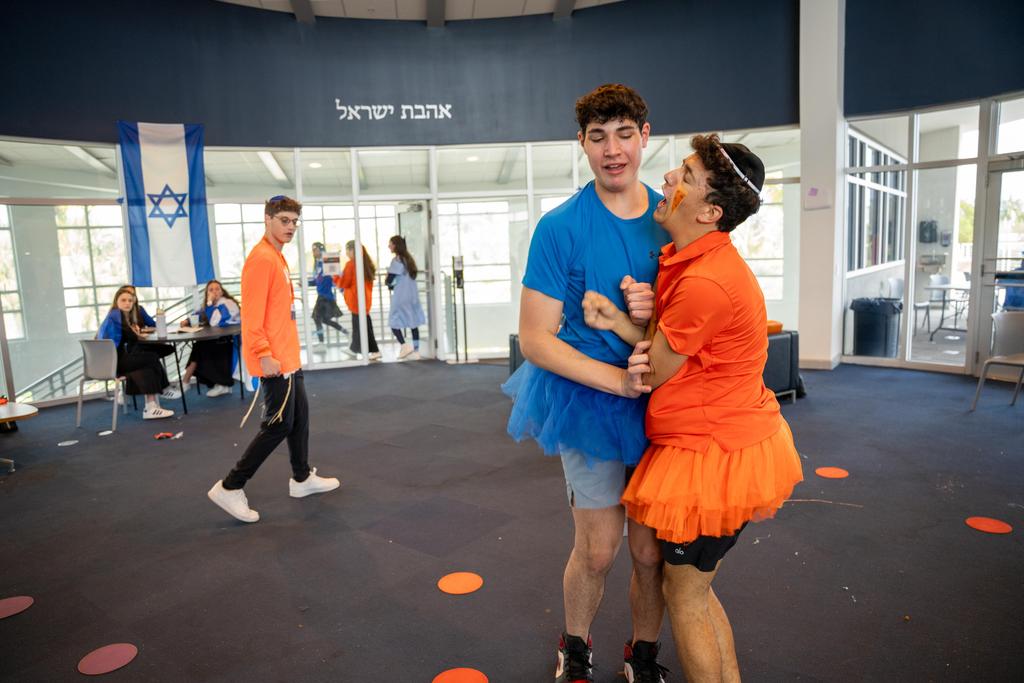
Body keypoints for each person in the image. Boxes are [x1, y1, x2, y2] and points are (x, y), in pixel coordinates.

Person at [584, 135, 804, 682]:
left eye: (684, 176)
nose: (667, 179)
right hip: (724, 443)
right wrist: (624, 322)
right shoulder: (694, 261)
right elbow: (672, 350)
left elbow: (654, 371)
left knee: (685, 596)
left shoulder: (704, 280)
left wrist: (624, 351)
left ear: (710, 212)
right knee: (696, 591)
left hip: (711, 455)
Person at [502, 84, 668, 682]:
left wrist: (650, 315)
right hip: (589, 400)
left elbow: (690, 320)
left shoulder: (672, 219)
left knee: (650, 553)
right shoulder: (560, 227)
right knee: (598, 551)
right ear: (582, 143)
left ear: (644, 136)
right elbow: (536, 338)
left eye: (624, 134)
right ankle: (575, 647)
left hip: (662, 406)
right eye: (598, 138)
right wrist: (618, 381)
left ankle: (642, 654)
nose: (612, 150)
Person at [207, 195, 340, 524]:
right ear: (267, 219)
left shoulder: (277, 257)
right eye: (284, 220)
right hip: (274, 360)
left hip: (288, 358)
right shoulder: (262, 259)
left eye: (294, 221)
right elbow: (252, 317)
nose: (290, 227)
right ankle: (230, 486)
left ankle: (301, 478)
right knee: (278, 425)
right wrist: (264, 354)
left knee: (300, 419)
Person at [97, 286, 180, 419]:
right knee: (151, 358)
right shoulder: (117, 315)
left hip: (114, 360)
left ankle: (151, 407)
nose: (127, 303)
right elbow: (132, 338)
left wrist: (134, 332)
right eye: (123, 300)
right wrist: (135, 332)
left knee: (146, 363)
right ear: (116, 301)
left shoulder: (115, 315)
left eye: (130, 301)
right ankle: (163, 390)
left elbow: (129, 339)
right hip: (114, 363)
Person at [179, 279, 240, 398]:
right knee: (199, 346)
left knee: (200, 347)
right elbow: (199, 314)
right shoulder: (213, 305)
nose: (214, 292)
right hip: (217, 339)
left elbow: (214, 322)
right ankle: (186, 382)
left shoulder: (227, 303)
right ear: (207, 293)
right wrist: (187, 321)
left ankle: (187, 382)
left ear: (222, 292)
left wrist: (209, 303)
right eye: (211, 290)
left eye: (217, 289)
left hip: (228, 340)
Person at [337, 239, 380, 360]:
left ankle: (374, 350)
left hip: (355, 300)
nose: (346, 253)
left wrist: (335, 276)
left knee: (361, 326)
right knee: (360, 325)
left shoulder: (351, 264)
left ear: (352, 250)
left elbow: (344, 283)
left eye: (347, 250)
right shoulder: (365, 263)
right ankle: (354, 349)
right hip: (364, 299)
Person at [386, 235, 426, 360]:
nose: (389, 246)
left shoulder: (396, 261)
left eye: (390, 244)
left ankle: (404, 346)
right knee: (413, 323)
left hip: (401, 296)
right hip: (412, 296)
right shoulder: (409, 259)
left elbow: (389, 280)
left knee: (393, 322)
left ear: (396, 245)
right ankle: (416, 351)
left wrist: (387, 280)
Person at [309, 241, 348, 344]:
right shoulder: (317, 265)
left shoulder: (327, 262)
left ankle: (321, 343)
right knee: (324, 320)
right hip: (322, 296)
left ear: (321, 250)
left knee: (317, 318)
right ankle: (346, 332)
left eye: (315, 249)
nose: (313, 252)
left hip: (326, 296)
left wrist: (343, 291)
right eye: (312, 250)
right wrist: (306, 283)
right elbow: (316, 281)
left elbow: (337, 276)